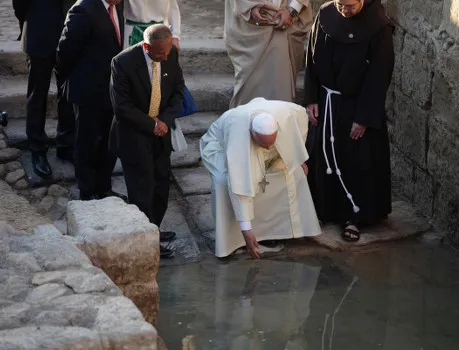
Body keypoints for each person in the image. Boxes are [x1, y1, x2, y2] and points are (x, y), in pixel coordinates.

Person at [304, 0, 394, 241]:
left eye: (350, 6)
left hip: (357, 106)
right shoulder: (325, 15)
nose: (344, 10)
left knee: (357, 160)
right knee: (324, 158)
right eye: (340, 4)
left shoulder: (378, 26)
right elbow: (311, 59)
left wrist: (364, 118)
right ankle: (325, 210)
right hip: (327, 102)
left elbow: (379, 75)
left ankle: (354, 217)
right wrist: (312, 98)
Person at [200, 97, 321, 259]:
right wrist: (246, 230)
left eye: (270, 143)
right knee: (225, 180)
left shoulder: (292, 113)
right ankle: (236, 239)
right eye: (265, 145)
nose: (268, 148)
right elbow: (240, 186)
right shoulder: (238, 137)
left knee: (294, 172)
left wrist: (298, 158)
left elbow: (299, 131)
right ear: (252, 133)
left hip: (261, 141)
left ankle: (285, 230)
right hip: (220, 148)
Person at [109, 24, 185, 259]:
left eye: (168, 52)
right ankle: (146, 241)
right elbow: (122, 107)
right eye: (160, 54)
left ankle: (154, 228)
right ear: (146, 46)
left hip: (161, 133)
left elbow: (179, 92)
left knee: (161, 185)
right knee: (141, 189)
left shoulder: (170, 53)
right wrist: (152, 124)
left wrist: (164, 120)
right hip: (134, 134)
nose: (165, 57)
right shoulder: (122, 63)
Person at [56, 0, 125, 201]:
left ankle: (104, 187)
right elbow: (64, 52)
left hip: (112, 89)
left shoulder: (117, 7)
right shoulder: (83, 9)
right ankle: (86, 191)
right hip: (87, 91)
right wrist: (73, 81)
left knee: (109, 142)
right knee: (86, 142)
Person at [13, 0, 76, 179]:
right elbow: (19, 4)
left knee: (68, 92)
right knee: (37, 94)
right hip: (40, 30)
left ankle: (66, 144)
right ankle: (37, 148)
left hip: (73, 33)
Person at [224, 0, 312, 108]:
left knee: (279, 93)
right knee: (250, 94)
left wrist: (291, 11)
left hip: (287, 20)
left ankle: (277, 122)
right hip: (250, 24)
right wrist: (249, 7)